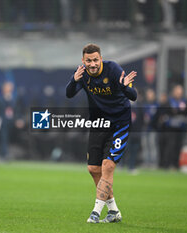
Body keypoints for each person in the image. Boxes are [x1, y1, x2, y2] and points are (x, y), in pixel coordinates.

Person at [66, 43, 137, 223]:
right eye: (88, 60)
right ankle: (113, 211)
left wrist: (124, 87)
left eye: (95, 60)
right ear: (83, 61)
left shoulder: (113, 69)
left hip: (119, 124)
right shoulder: (82, 74)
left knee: (107, 166)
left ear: (101, 59)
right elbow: (69, 94)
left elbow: (133, 95)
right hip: (99, 124)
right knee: (93, 169)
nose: (92, 64)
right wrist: (73, 80)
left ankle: (96, 212)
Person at [0, 81, 16, 160]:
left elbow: (16, 111)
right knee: (3, 138)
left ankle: (3, 154)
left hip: (10, 122)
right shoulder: (0, 100)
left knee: (6, 138)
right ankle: (3, 154)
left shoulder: (13, 99)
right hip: (2, 122)